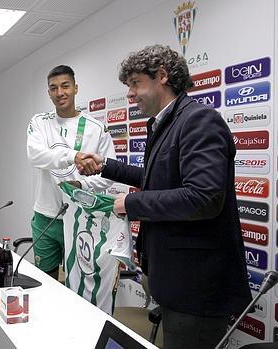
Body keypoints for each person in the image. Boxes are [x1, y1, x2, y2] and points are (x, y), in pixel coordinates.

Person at [77, 44, 251, 349]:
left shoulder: (199, 120)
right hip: (175, 281)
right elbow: (159, 179)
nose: (129, 93)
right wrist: (107, 166)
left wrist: (132, 204)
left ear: (162, 76)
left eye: (135, 83)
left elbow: (204, 197)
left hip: (197, 289)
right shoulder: (165, 123)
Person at [26, 65, 115, 279]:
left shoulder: (96, 128)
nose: (60, 93)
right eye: (54, 88)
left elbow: (110, 174)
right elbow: (35, 156)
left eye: (65, 86)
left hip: (81, 218)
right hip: (45, 216)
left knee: (77, 284)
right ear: (49, 93)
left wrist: (82, 185)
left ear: (76, 88)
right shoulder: (39, 122)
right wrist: (72, 156)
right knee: (44, 280)